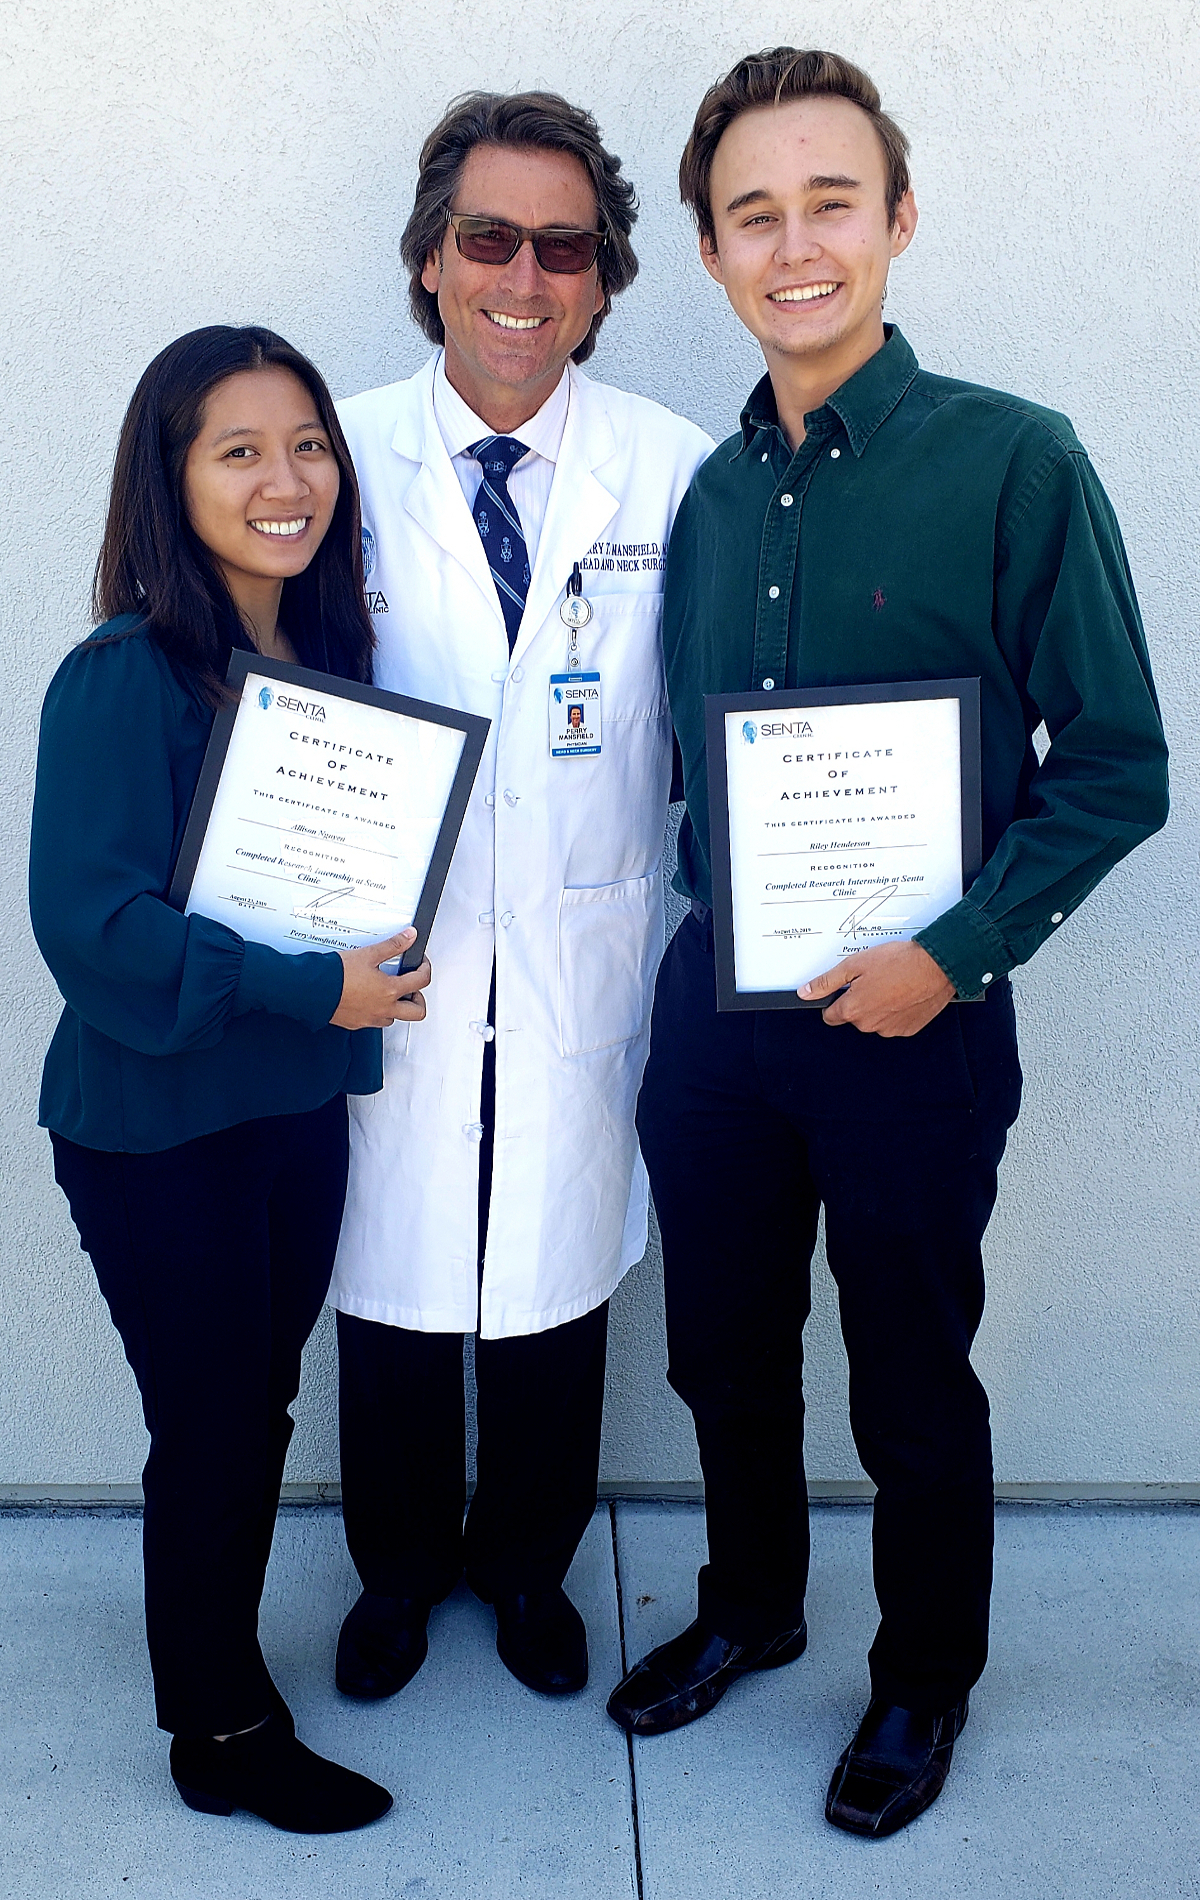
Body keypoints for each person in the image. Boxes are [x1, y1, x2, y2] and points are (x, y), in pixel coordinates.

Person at [605, 49, 1169, 1837]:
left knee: (910, 1367)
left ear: (898, 218)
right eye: (752, 213)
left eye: (828, 201)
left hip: (922, 1021)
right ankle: (756, 1609)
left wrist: (963, 946)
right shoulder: (704, 498)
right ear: (708, 251)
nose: (795, 243)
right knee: (720, 1343)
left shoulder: (1015, 461)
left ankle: (924, 1679)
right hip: (723, 1015)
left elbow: (1119, 766)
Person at [329, 91, 712, 1702]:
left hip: (580, 959)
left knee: (553, 1282)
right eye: (489, 238)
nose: (524, 278)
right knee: (399, 1276)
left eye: (565, 247)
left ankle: (529, 1567)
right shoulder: (332, 455)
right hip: (388, 975)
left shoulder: (676, 473)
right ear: (430, 261)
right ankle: (402, 1570)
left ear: (607, 281)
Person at [29, 326, 431, 1833]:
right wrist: (312, 985)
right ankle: (219, 1730)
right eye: (240, 449)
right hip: (154, 1135)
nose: (287, 479)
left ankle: (220, 1662)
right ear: (171, 476)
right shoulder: (121, 677)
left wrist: (373, 959)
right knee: (211, 1421)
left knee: (251, 1407)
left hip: (291, 1119)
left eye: (310, 445)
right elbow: (96, 931)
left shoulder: (324, 679)